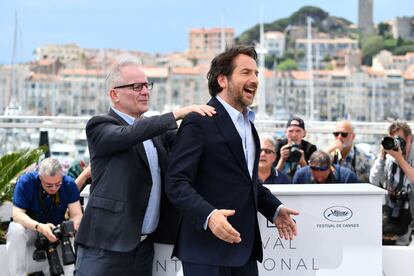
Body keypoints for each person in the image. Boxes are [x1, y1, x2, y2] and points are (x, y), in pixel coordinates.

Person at [165, 45, 299, 276]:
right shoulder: (199, 120)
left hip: (243, 250)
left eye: (256, 73)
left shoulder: (249, 126)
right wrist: (209, 216)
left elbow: (248, 182)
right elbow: (176, 183)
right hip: (205, 251)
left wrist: (274, 209)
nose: (255, 79)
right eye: (246, 72)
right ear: (222, 80)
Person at [74, 61, 215, 275]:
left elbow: (189, 147)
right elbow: (128, 135)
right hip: (105, 246)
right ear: (114, 95)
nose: (145, 92)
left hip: (144, 248)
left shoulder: (156, 132)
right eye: (136, 86)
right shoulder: (99, 125)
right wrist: (176, 114)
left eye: (147, 85)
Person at [6, 157, 82, 276]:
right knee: (15, 229)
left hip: (56, 232)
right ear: (40, 178)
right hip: (32, 229)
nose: (54, 188)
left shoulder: (68, 183)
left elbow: (77, 215)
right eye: (49, 185)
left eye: (58, 184)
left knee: (71, 233)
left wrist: (71, 227)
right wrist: (40, 227)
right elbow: (17, 215)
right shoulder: (26, 182)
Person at [370, 121, 414, 245]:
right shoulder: (389, 158)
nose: (397, 143)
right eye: (393, 140)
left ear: (409, 139)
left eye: (399, 139)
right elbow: (374, 181)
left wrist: (400, 158)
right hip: (392, 211)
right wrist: (382, 156)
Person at [293, 150, 358, 184]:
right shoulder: (300, 176)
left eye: (323, 177)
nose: (320, 180)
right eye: (316, 177)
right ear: (309, 165)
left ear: (331, 167)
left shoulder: (347, 177)